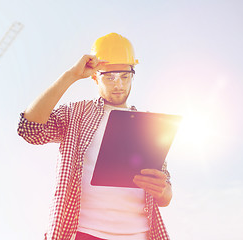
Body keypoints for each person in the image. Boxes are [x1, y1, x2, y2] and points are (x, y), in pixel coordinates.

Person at [17, 33, 172, 240]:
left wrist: (162, 190)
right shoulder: (75, 114)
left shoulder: (150, 125)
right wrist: (71, 75)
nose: (118, 84)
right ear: (94, 76)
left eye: (125, 76)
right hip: (84, 232)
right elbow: (30, 129)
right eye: (109, 76)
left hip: (139, 235)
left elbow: (166, 196)